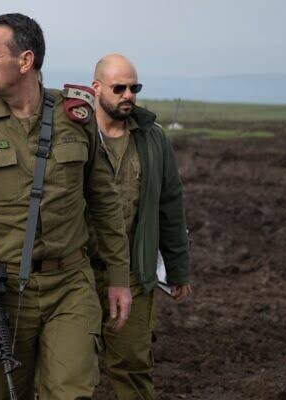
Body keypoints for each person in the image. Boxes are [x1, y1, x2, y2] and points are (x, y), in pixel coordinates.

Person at [0, 13, 131, 399]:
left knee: (71, 392)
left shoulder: (77, 117)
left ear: (25, 61)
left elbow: (104, 200)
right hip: (3, 293)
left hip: (70, 285)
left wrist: (119, 278)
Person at [89, 53, 191, 400]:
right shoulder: (73, 134)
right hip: (77, 272)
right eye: (119, 88)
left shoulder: (153, 139)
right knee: (70, 370)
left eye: (135, 88)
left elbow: (170, 206)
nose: (128, 95)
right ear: (96, 87)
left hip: (134, 270)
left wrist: (177, 269)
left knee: (132, 365)